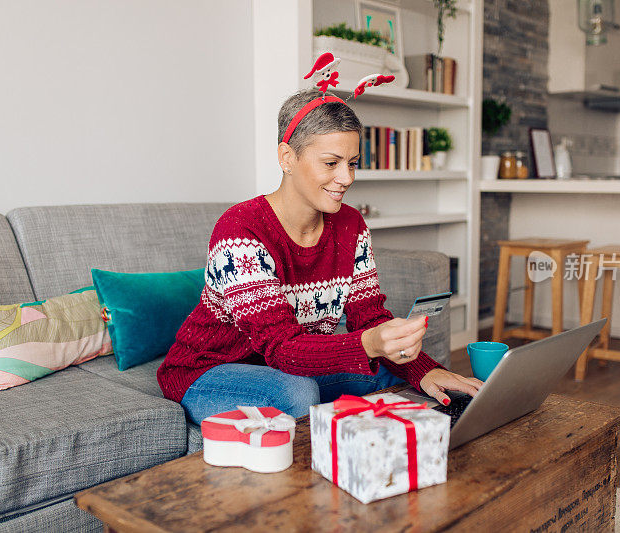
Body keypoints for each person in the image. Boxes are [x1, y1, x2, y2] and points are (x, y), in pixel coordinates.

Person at [157, 88, 482, 423]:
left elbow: (368, 318)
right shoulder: (241, 229)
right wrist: (370, 344)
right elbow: (281, 349)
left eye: (352, 164)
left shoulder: (351, 224)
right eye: (331, 163)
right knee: (298, 393)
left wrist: (425, 371)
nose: (346, 178)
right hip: (210, 371)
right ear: (287, 157)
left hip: (294, 367)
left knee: (397, 377)